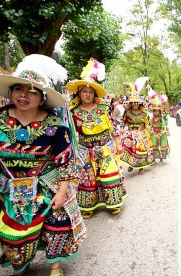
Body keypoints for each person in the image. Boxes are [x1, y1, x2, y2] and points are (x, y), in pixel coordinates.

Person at [0, 54, 86, 276]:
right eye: (18, 89)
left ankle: (55, 266)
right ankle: (21, 262)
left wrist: (63, 192)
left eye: (32, 91)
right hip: (9, 188)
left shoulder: (55, 126)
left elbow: (65, 161)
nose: (23, 95)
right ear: (11, 92)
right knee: (12, 234)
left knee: (58, 224)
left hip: (48, 185)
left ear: (42, 98)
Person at [66, 58, 126, 219]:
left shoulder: (104, 109)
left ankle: (114, 203)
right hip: (85, 149)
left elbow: (113, 127)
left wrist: (118, 144)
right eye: (84, 91)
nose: (87, 94)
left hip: (105, 147)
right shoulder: (73, 111)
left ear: (94, 94)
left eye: (90, 92)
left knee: (109, 175)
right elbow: (70, 133)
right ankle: (88, 206)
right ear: (79, 93)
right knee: (87, 179)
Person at [120, 89, 155, 175]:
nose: (135, 104)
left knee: (140, 150)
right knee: (130, 149)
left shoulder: (144, 113)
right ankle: (131, 164)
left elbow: (147, 123)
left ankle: (141, 168)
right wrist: (121, 128)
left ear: (139, 103)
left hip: (140, 133)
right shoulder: (127, 112)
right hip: (130, 133)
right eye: (133, 102)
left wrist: (151, 132)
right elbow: (123, 121)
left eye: (136, 102)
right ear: (130, 103)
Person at [149, 95, 170, 162]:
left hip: (161, 135)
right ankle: (153, 158)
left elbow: (164, 128)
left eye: (157, 111)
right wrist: (151, 132)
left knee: (161, 146)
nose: (155, 112)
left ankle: (161, 158)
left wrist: (160, 135)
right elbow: (149, 127)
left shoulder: (161, 120)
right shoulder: (151, 120)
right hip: (154, 135)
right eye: (154, 111)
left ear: (159, 112)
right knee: (154, 147)